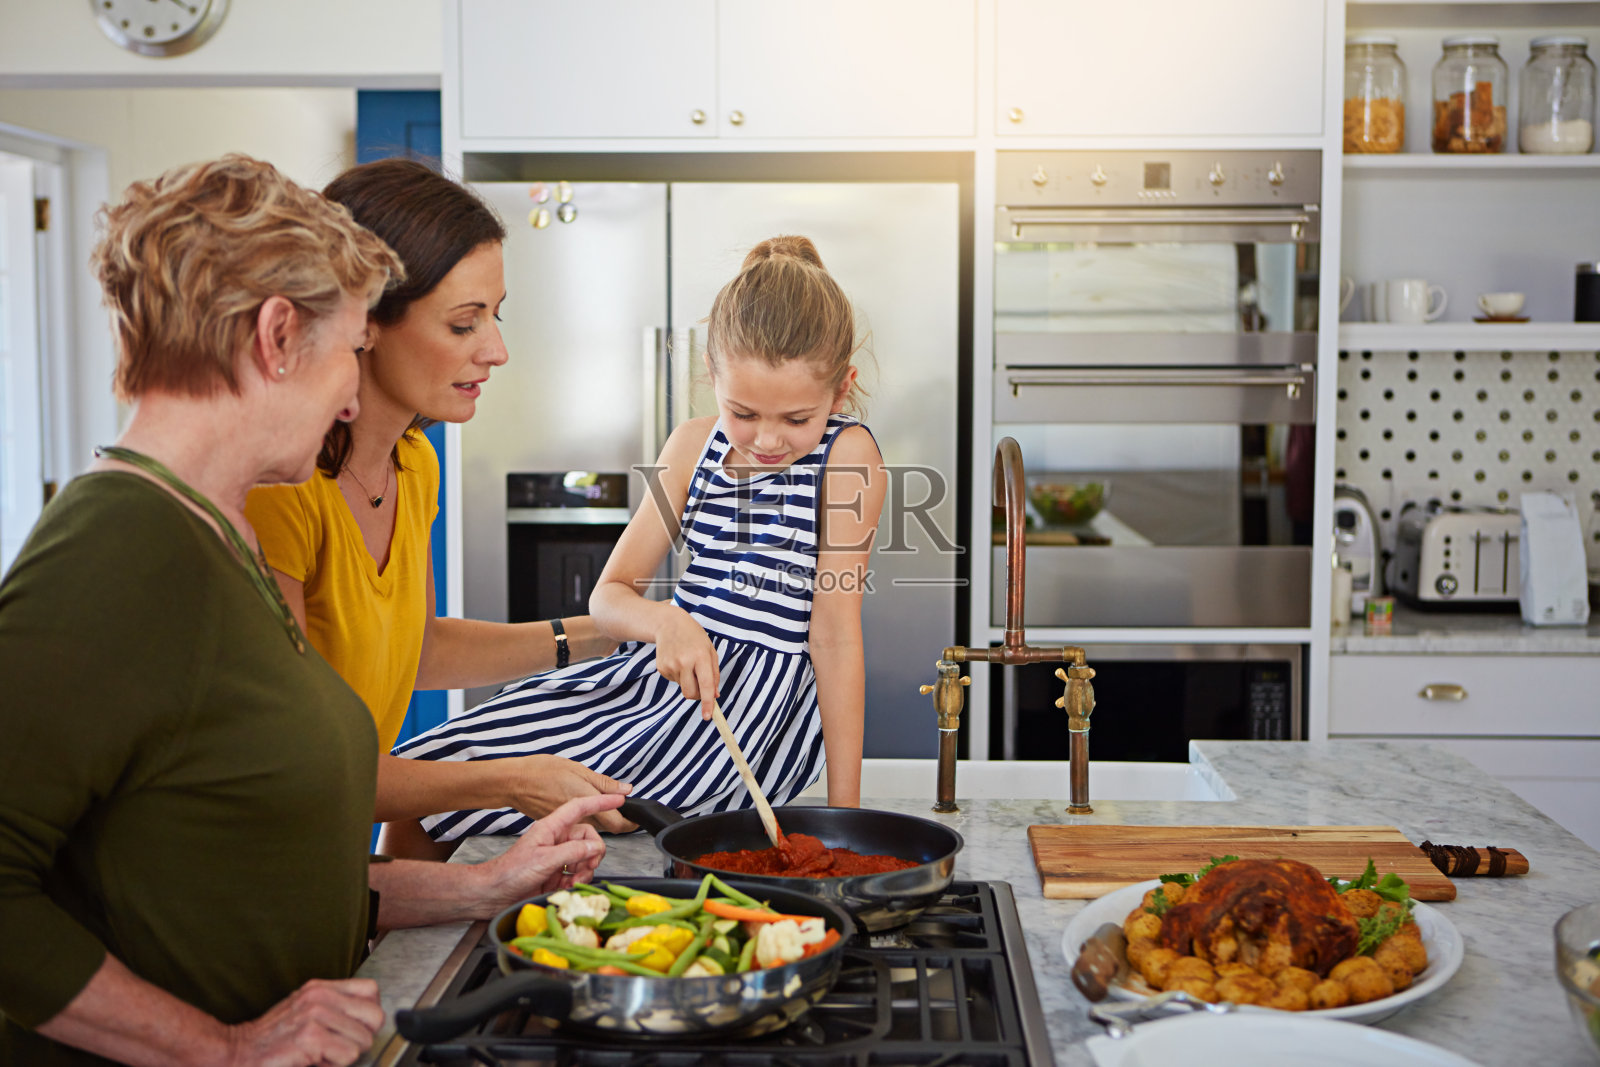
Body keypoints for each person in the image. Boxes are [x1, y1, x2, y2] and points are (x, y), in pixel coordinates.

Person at [0, 154, 623, 1067]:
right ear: (277, 336)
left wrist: (486, 884)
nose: (350, 387)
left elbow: (244, 867)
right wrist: (222, 1046)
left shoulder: (224, 537)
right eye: (350, 347)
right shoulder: (118, 545)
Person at [386, 235, 886, 855]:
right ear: (712, 374)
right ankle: (394, 949)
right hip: (652, 681)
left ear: (841, 393)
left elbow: (834, 635)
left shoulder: (848, 456)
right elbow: (610, 598)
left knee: (593, 818)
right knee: (434, 777)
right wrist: (665, 623)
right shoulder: (691, 445)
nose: (766, 440)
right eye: (744, 412)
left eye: (797, 419)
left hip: (741, 717)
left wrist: (847, 819)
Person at [243, 158, 632, 837]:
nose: (498, 350)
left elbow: (421, 650)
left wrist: (613, 631)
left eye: (496, 316)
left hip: (330, 866)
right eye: (464, 323)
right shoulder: (278, 493)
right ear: (364, 321)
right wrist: (512, 777)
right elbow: (300, 768)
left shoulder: (413, 463)